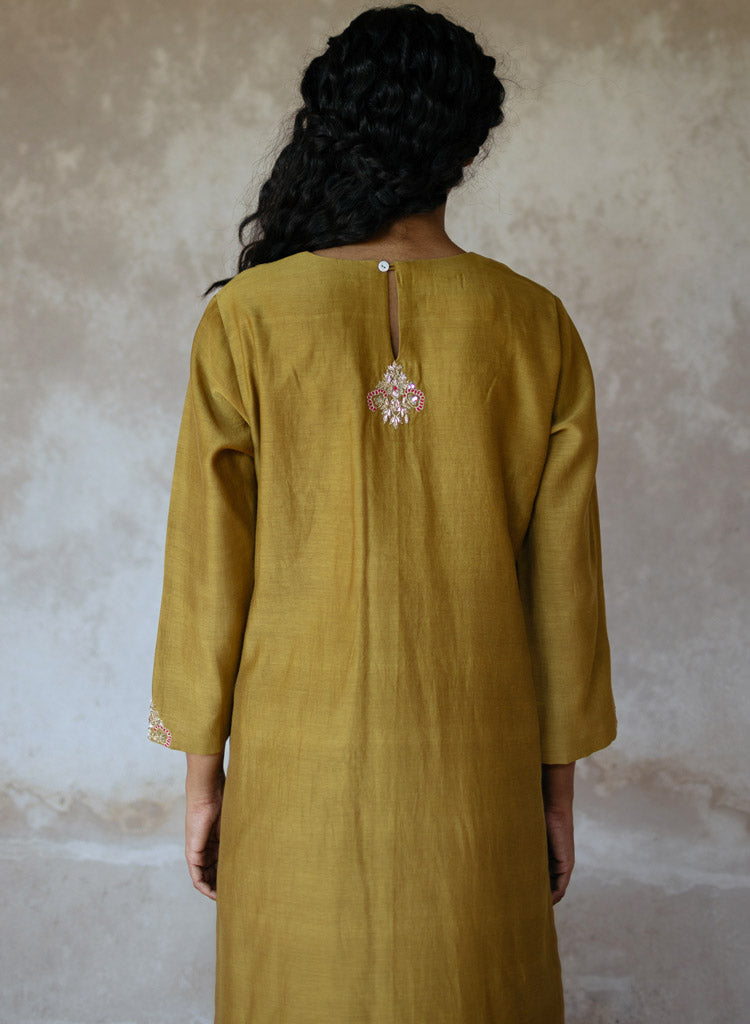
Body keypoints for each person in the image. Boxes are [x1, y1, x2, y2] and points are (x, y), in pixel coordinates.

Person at [148, 4, 617, 1022]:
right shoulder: (535, 324)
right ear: (468, 146)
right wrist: (556, 795)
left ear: (333, 127)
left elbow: (206, 568)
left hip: (294, 777)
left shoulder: (247, 319)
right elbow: (565, 590)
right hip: (478, 778)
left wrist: (202, 785)